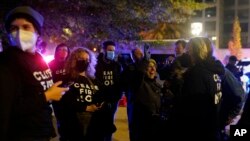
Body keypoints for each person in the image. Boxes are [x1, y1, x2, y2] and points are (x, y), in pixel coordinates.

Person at [0, 6, 69, 141]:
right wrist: (47, 95)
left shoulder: (38, 58)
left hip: (41, 130)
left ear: (37, 32)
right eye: (14, 28)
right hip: (22, 134)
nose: (19, 33)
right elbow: (9, 108)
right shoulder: (7, 61)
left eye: (26, 27)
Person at [172, 37, 225, 141]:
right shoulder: (213, 71)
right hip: (213, 127)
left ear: (194, 52)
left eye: (188, 51)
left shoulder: (196, 74)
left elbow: (192, 106)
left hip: (198, 131)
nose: (186, 54)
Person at [60, 47, 104, 140]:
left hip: (92, 124)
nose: (85, 62)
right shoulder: (67, 78)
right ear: (74, 60)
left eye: (87, 60)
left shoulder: (93, 80)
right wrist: (86, 107)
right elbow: (65, 101)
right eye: (81, 59)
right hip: (73, 124)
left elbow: (101, 95)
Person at [95, 40, 123, 141]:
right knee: (99, 123)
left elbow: (120, 81)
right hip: (100, 99)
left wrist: (118, 96)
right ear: (104, 50)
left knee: (110, 122)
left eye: (113, 50)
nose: (111, 52)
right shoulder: (96, 64)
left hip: (113, 99)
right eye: (109, 50)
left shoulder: (117, 65)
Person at [48, 43, 70, 141]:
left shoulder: (70, 64)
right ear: (56, 51)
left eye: (65, 50)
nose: (63, 52)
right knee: (61, 120)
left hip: (70, 96)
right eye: (61, 49)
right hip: (57, 97)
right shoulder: (51, 64)